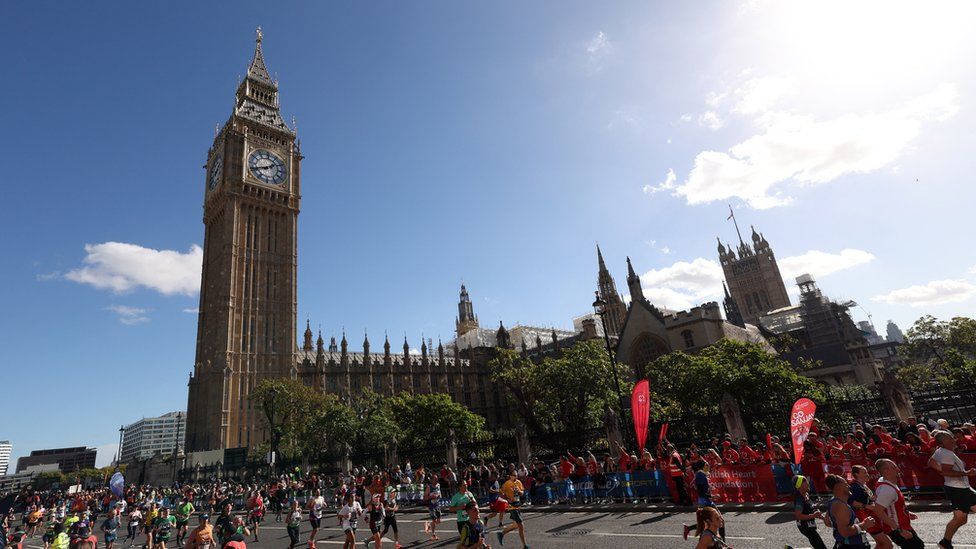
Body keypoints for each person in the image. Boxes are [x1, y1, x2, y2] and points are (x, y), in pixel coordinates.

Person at [928, 430, 976, 549]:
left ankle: (945, 542)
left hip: (957, 488)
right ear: (944, 441)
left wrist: (941, 470)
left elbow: (931, 462)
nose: (954, 440)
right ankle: (945, 542)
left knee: (960, 519)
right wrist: (966, 473)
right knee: (960, 518)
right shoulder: (946, 453)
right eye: (951, 438)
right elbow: (946, 471)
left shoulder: (941, 451)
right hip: (959, 489)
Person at [873, 459, 924, 549]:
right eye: (894, 467)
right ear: (886, 471)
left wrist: (905, 513)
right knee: (917, 546)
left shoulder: (886, 481)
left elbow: (890, 505)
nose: (898, 469)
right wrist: (899, 530)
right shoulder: (887, 489)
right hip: (897, 528)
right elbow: (878, 510)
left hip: (900, 526)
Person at [825, 474, 875, 549]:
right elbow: (844, 532)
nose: (849, 486)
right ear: (838, 487)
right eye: (845, 484)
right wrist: (863, 525)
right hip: (851, 546)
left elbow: (827, 522)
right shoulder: (840, 506)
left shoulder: (834, 501)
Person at [849, 465, 891, 549]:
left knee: (880, 544)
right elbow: (851, 502)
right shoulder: (854, 486)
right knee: (887, 545)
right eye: (864, 472)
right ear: (856, 474)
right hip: (864, 517)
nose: (867, 474)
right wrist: (867, 506)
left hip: (871, 516)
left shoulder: (863, 485)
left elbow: (867, 499)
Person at [792, 475, 828, 549]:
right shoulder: (799, 498)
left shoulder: (806, 495)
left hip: (809, 526)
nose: (808, 483)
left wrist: (821, 516)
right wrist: (813, 516)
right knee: (820, 547)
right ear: (800, 485)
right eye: (806, 482)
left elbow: (811, 508)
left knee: (817, 545)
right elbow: (798, 515)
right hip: (805, 527)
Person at [495, 473, 527, 549]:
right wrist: (507, 499)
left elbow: (522, 492)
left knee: (516, 525)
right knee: (521, 525)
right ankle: (525, 546)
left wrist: (519, 492)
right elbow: (500, 493)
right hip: (512, 507)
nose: (515, 477)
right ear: (510, 476)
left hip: (517, 505)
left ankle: (501, 534)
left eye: (516, 475)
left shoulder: (518, 482)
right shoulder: (507, 483)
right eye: (513, 475)